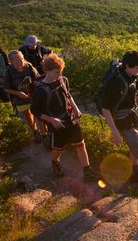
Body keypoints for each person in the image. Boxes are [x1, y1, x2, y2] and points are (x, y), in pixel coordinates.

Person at [30, 54, 101, 182]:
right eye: (57, 72)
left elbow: (68, 96)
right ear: (47, 71)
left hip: (69, 117)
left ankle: (87, 171)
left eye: (61, 71)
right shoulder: (40, 90)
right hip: (56, 122)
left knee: (80, 144)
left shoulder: (63, 80)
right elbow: (34, 110)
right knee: (59, 147)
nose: (60, 74)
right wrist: (52, 120)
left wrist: (76, 108)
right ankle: (55, 162)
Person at [100, 51, 138, 189]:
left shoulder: (134, 76)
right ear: (126, 66)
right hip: (123, 122)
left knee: (134, 148)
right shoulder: (116, 83)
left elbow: (137, 94)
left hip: (133, 117)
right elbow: (105, 109)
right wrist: (115, 132)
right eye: (137, 67)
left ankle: (134, 173)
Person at [3, 50, 42, 143]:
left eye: (22, 59)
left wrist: (36, 90)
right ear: (10, 62)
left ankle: (44, 132)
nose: (21, 62)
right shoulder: (8, 72)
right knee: (28, 115)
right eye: (17, 61)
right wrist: (18, 93)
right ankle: (35, 131)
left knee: (39, 113)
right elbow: (6, 88)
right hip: (19, 98)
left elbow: (38, 78)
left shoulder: (29, 67)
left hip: (33, 95)